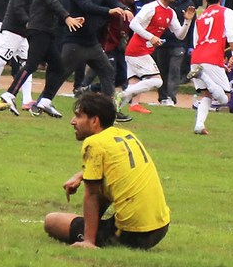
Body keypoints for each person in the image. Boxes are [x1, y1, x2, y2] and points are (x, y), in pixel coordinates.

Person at [44, 92, 170, 250]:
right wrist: (81, 175)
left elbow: (91, 195)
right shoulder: (126, 135)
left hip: (132, 234)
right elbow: (116, 168)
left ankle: (90, 238)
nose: (72, 122)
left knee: (52, 221)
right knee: (104, 188)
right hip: (161, 227)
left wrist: (88, 242)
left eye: (78, 116)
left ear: (95, 120)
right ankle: (94, 231)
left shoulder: (94, 142)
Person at [36, 0, 133, 121]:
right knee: (61, 74)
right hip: (75, 42)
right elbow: (87, 6)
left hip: (92, 43)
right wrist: (110, 11)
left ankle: (111, 112)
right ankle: (41, 102)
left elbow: (113, 1)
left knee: (108, 71)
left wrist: (123, 8)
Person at [0, 0, 84, 117]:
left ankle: (45, 101)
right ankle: (9, 95)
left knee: (58, 66)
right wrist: (67, 18)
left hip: (43, 30)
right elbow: (53, 2)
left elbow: (47, 7)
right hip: (40, 30)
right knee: (32, 64)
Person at [114, 0, 196, 113]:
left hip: (143, 50)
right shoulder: (151, 7)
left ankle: (117, 112)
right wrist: (151, 37)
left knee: (134, 81)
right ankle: (121, 95)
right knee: (157, 81)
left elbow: (180, 35)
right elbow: (134, 24)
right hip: (137, 50)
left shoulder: (170, 12)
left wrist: (187, 21)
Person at [187, 0, 233, 135]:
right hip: (211, 57)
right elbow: (230, 34)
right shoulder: (226, 12)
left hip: (197, 57)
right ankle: (202, 75)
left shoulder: (201, 16)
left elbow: (196, 41)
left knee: (206, 95)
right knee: (224, 98)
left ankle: (199, 125)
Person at [154, 0, 195, 106]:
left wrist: (190, 45)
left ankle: (171, 98)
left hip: (179, 43)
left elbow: (192, 26)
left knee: (174, 70)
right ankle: (162, 98)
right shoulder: (162, 3)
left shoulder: (188, 3)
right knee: (162, 70)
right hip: (162, 42)